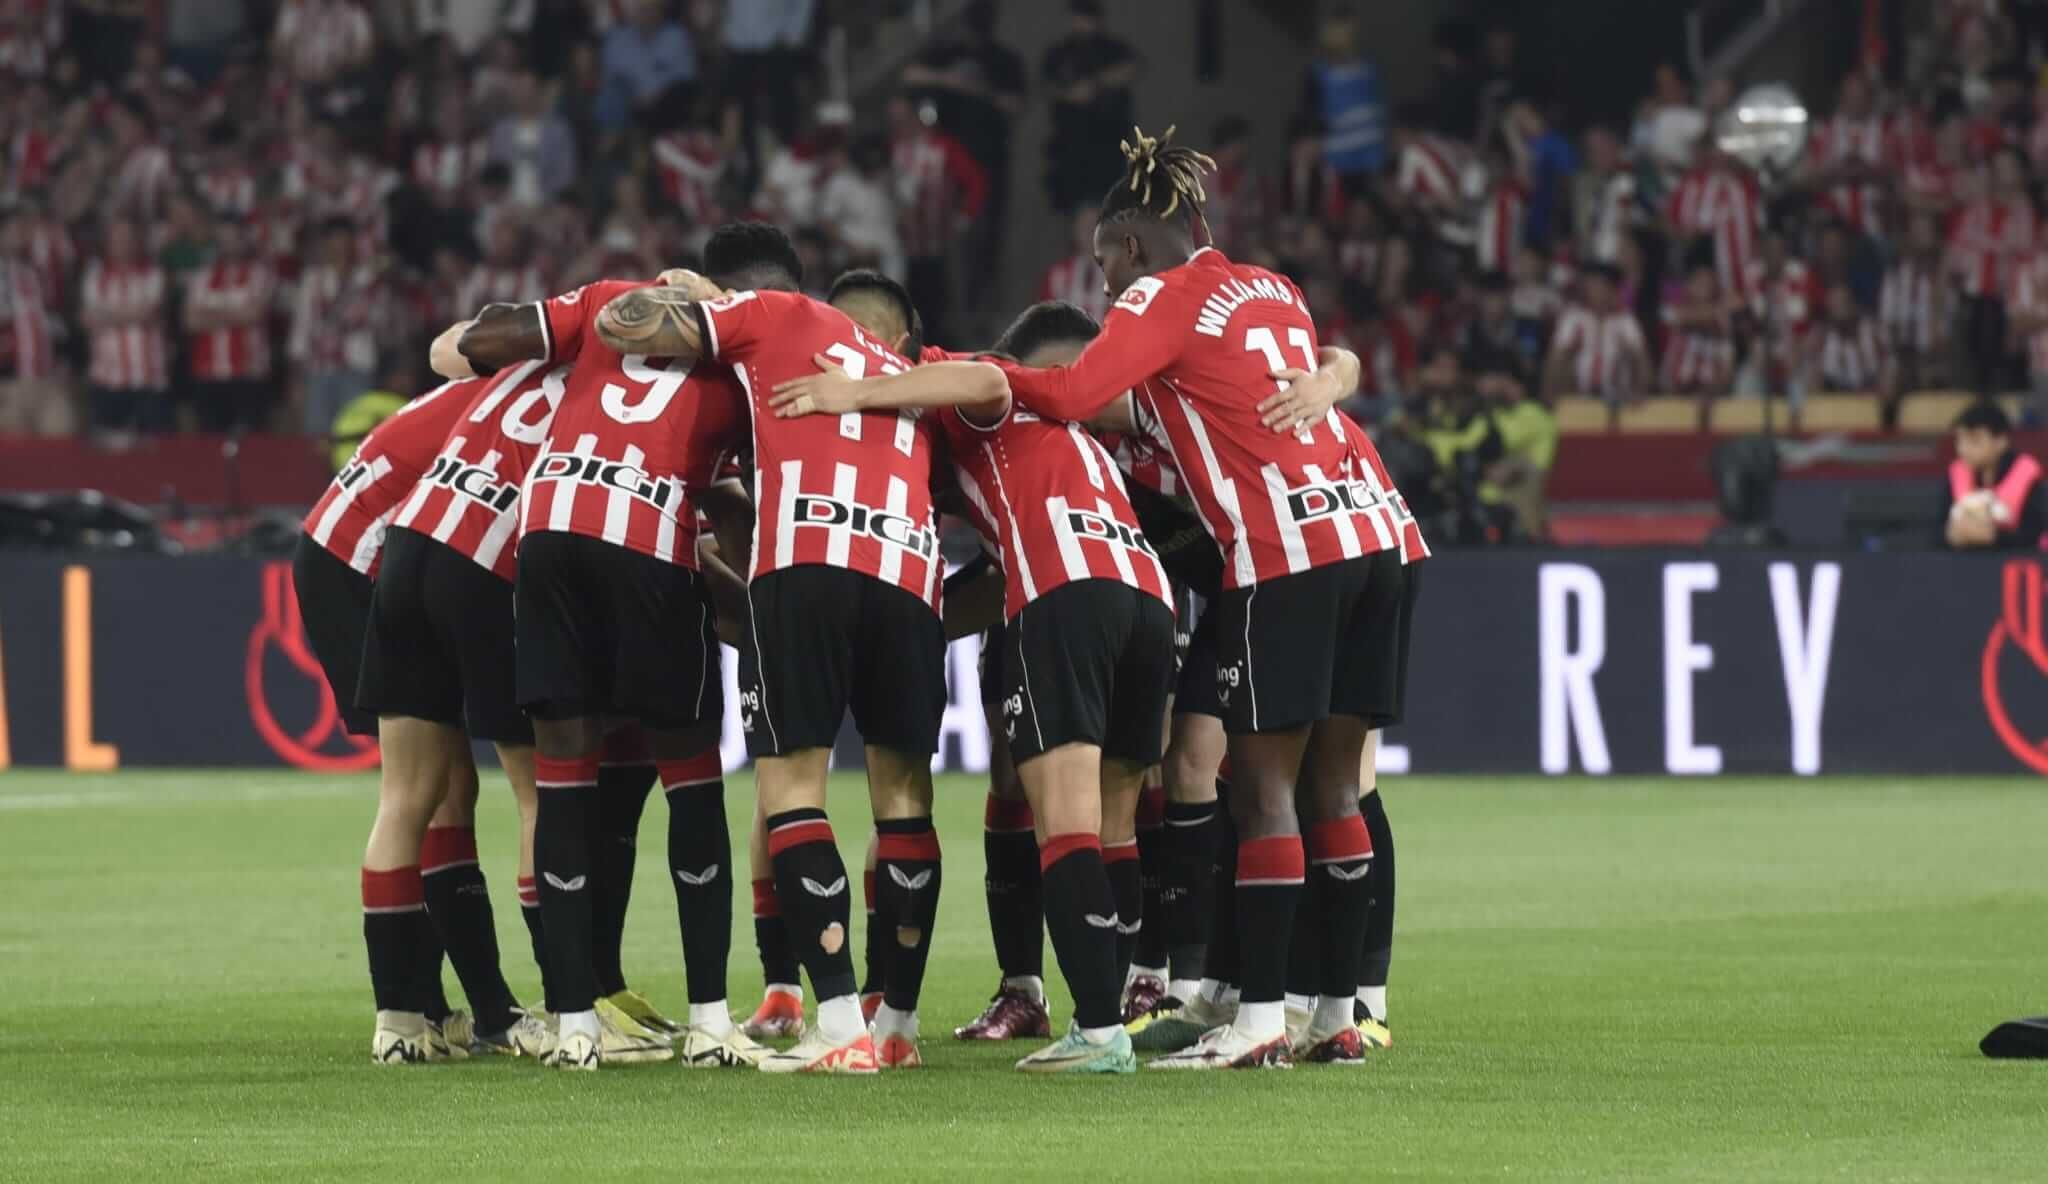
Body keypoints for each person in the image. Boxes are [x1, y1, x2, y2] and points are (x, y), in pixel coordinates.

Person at [986, 128, 1404, 1069]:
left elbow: (1073, 389)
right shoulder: (1270, 286)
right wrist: (1342, 370)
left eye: (1104, 264)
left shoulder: (1159, 295)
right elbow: (1300, 370)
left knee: (1259, 789)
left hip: (1283, 552)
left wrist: (982, 376)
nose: (1105, 287)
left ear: (1132, 245)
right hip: (1371, 536)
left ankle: (1256, 1021)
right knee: (1338, 783)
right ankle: (1335, 1014)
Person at [770, 297, 1181, 1075]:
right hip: (1144, 597)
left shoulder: (975, 387)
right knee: (1117, 825)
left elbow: (987, 386)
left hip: (1066, 590)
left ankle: (1098, 1032)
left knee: (1064, 824)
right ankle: (1125, 1002)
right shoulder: (1066, 439)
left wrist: (852, 393)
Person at [585, 237, 950, 1075]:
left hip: (809, 561)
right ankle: (894, 1022)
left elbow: (624, 323)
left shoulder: (775, 314)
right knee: (905, 798)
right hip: (909, 569)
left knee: (791, 788)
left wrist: (686, 294)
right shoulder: (914, 372)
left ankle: (835, 1026)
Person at [435, 254, 766, 1072]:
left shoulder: (608, 300)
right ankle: (711, 1022)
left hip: (547, 529)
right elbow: (744, 495)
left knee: (563, 782)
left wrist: (494, 334)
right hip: (649, 533)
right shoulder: (740, 360)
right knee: (691, 780)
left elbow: (495, 335)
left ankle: (576, 1022)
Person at [1040, 0, 1139, 212]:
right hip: (1071, 143)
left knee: (1108, 206)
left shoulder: (1113, 49)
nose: (1081, 24)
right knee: (1071, 207)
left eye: (1086, 18)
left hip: (1107, 141)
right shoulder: (1059, 52)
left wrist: (1096, 83)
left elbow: (1131, 67)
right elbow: (1047, 86)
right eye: (1077, 17)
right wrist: (1070, 93)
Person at [182, 220, 277, 432]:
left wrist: (209, 314)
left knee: (252, 444)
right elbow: (190, 322)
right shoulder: (202, 276)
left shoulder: (260, 274)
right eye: (224, 238)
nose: (229, 244)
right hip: (208, 374)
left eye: (234, 238)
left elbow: (255, 315)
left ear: (244, 240)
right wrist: (236, 313)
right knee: (209, 445)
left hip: (249, 372)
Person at [79, 217, 170, 435]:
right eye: (117, 237)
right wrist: (134, 314)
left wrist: (107, 315)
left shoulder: (153, 274)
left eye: (128, 237)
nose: (123, 242)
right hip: (106, 379)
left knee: (155, 451)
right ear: (108, 242)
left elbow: (149, 313)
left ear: (138, 241)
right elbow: (88, 320)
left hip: (148, 378)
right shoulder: (95, 277)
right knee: (106, 455)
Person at [1544, 263, 1649, 405]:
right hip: (1577, 397)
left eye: (1600, 286)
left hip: (1618, 400)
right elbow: (1555, 360)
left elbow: (1643, 363)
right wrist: (1551, 395)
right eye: (1591, 285)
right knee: (1562, 358)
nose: (1594, 290)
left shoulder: (1626, 321)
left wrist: (1640, 391)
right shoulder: (1573, 317)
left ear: (1612, 289)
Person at [1947, 400, 2044, 549]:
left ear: (2001, 442)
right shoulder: (1956, 472)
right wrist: (1951, 534)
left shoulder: (2027, 474)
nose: (1963, 449)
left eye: (1974, 440)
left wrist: (1994, 536)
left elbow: (2035, 534)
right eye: (1960, 440)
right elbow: (1938, 529)